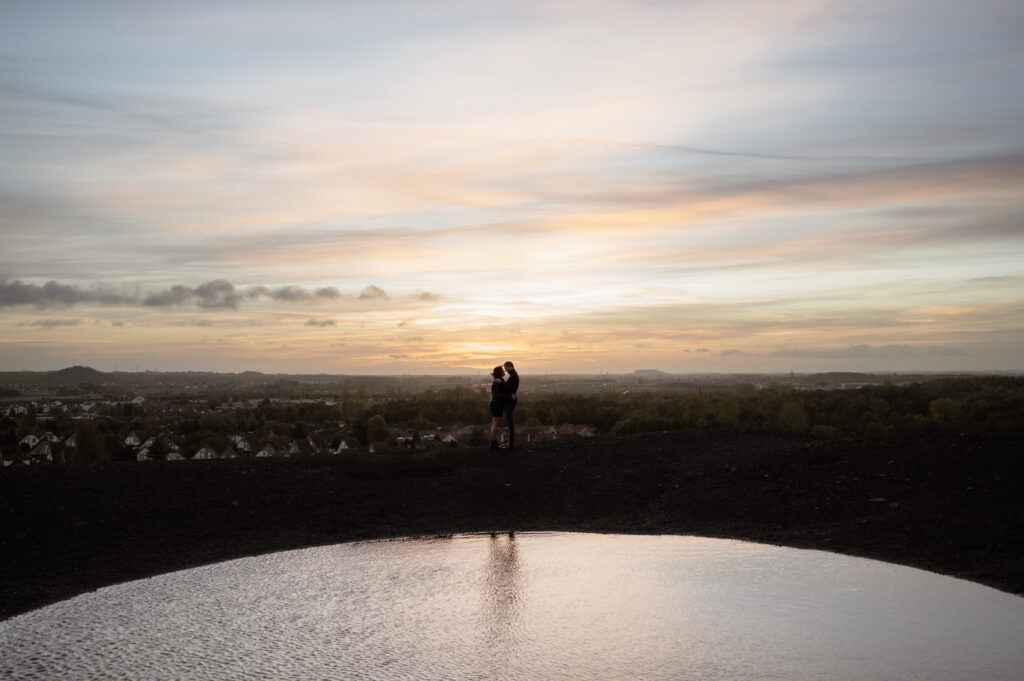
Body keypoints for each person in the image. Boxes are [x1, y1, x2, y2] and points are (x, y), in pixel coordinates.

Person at [502, 361, 519, 449]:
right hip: (510, 401)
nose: (505, 370)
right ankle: (510, 443)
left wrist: (501, 383)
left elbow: (508, 390)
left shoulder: (513, 377)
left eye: (506, 368)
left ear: (510, 367)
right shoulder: (513, 376)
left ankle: (511, 444)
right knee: (510, 422)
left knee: (510, 422)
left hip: (510, 402)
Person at [488, 365, 506, 449]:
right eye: (503, 370)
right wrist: (509, 397)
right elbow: (499, 394)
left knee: (494, 423)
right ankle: (493, 442)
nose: (504, 372)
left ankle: (493, 442)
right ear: (500, 372)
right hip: (496, 404)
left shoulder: (497, 381)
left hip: (494, 403)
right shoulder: (498, 381)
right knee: (496, 423)